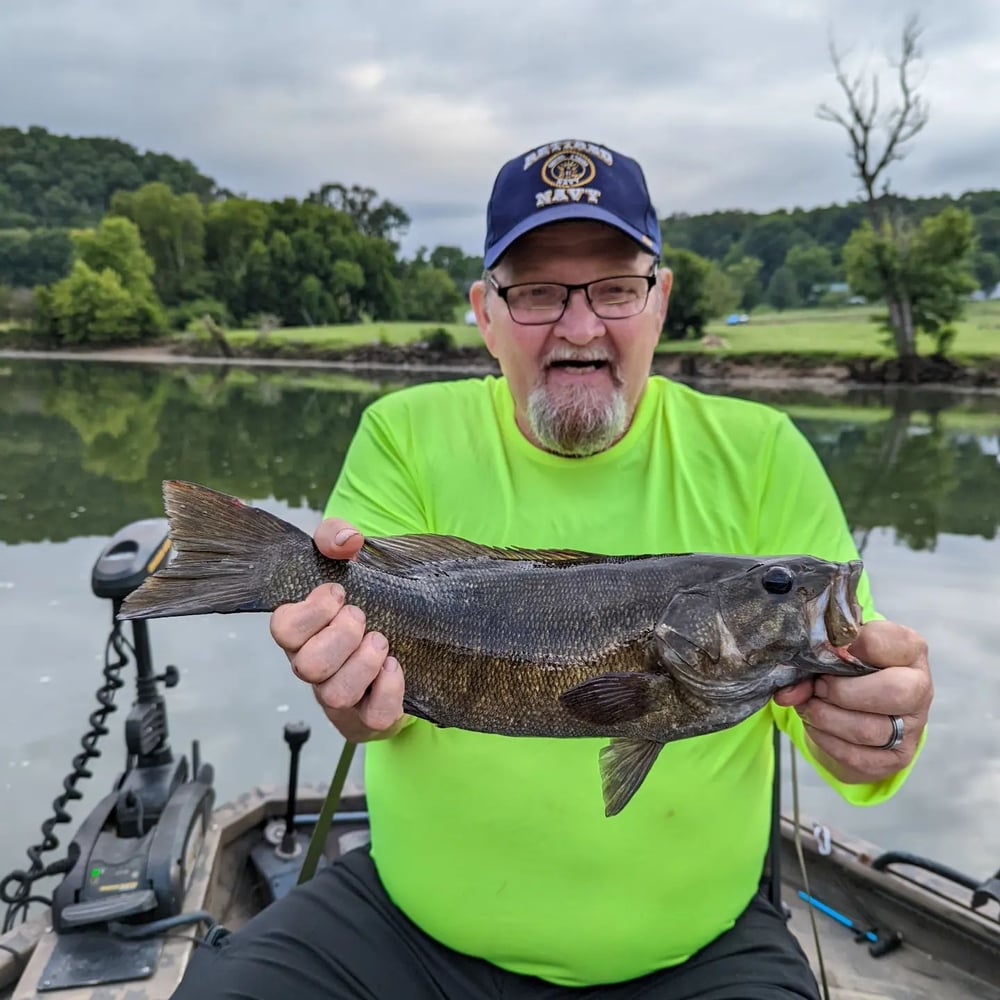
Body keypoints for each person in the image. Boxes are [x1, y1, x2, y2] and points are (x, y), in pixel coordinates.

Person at [174, 139, 933, 999]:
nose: (580, 326)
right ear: (484, 312)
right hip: (413, 926)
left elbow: (848, 713)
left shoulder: (764, 454)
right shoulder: (404, 432)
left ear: (661, 301)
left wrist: (882, 736)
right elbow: (377, 703)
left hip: (701, 949)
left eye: (615, 287)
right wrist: (350, 694)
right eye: (536, 292)